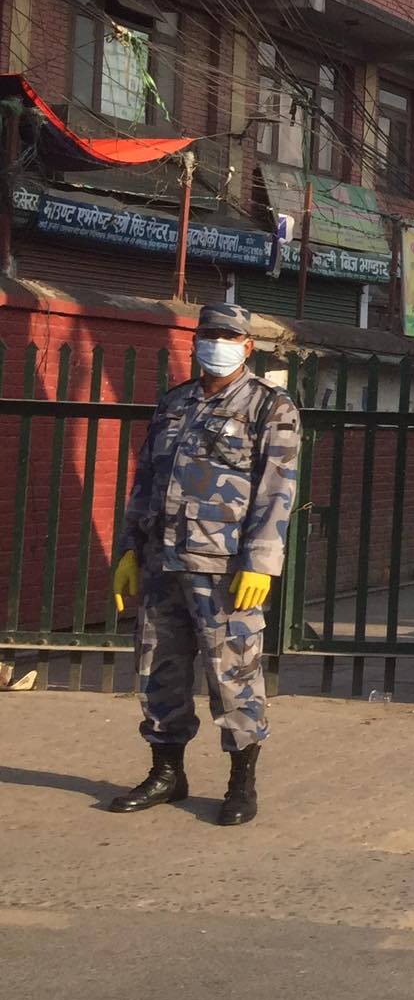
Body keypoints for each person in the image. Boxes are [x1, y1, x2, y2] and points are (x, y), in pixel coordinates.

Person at [107, 303, 301, 826]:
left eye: (229, 336)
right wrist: (129, 549)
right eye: (210, 334)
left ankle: (241, 784)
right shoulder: (175, 403)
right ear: (196, 342)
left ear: (247, 346)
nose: (218, 343)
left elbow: (276, 491)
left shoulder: (269, 406)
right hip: (161, 562)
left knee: (232, 675)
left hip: (224, 569)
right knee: (158, 671)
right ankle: (167, 774)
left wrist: (260, 562)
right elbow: (145, 479)